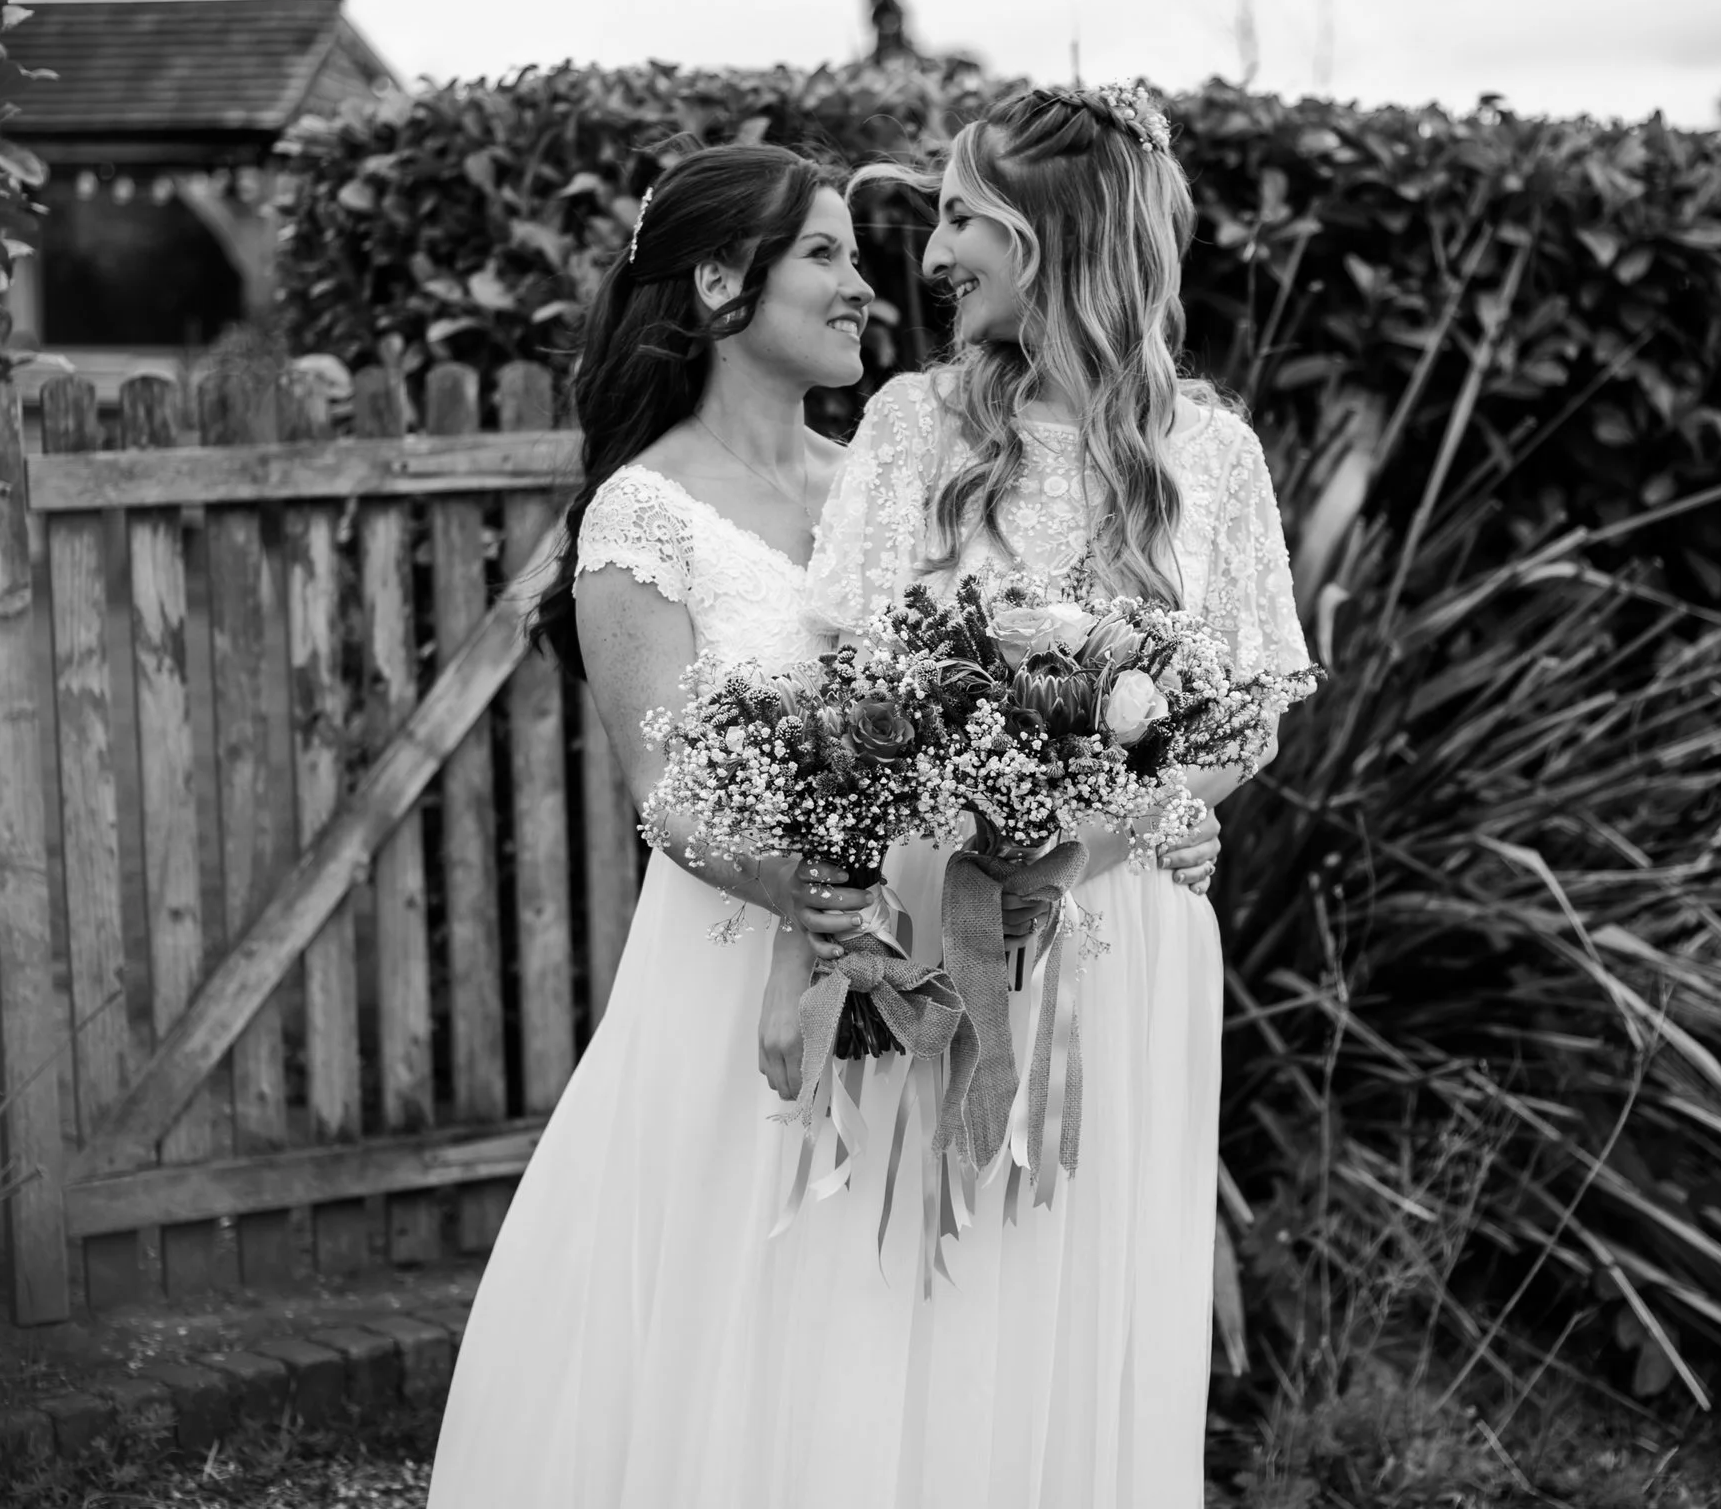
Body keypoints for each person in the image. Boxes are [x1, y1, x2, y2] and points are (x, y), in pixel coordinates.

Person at [427, 139, 1228, 1508]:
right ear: (720, 282)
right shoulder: (644, 512)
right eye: (824, 255)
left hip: (913, 963)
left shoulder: (894, 474)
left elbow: (982, 689)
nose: (866, 286)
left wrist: (1130, 807)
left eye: (859, 257)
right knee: (743, 1291)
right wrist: (797, 889)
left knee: (883, 1313)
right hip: (749, 958)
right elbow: (664, 787)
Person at [803, 82, 1314, 1507]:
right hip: (944, 908)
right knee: (928, 1270)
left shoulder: (1211, 455)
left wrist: (1116, 826)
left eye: (965, 218)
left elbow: (1251, 710)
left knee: (1097, 1275)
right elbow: (846, 671)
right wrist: (966, 809)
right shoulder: (912, 427)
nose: (932, 253)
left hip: (1128, 924)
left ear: (1058, 237)